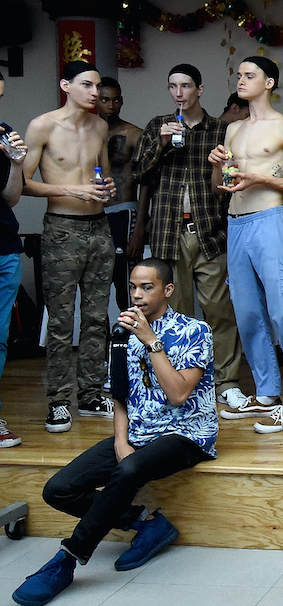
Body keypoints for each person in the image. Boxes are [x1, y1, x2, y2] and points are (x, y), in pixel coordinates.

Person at [11, 258, 216, 606]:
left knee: (130, 470)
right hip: (137, 431)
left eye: (147, 287)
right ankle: (146, 523)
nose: (136, 295)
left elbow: (179, 394)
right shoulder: (121, 333)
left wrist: (151, 341)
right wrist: (121, 440)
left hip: (186, 434)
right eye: (133, 287)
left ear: (167, 290)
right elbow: (120, 395)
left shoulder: (195, 330)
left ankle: (69, 558)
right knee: (57, 490)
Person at [206, 56, 283, 433]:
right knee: (247, 313)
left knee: (282, 311)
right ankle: (267, 392)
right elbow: (218, 185)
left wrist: (261, 179)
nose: (241, 80)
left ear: (269, 82)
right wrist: (217, 165)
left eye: (250, 75)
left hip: (270, 222)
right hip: (236, 224)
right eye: (238, 74)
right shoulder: (232, 129)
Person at [131, 64, 249, 415]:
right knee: (173, 313)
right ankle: (181, 382)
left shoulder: (220, 129)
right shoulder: (158, 125)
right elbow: (140, 173)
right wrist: (163, 145)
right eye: (172, 86)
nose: (178, 93)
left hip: (210, 232)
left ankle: (227, 384)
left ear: (199, 89)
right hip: (168, 233)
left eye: (185, 86)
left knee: (219, 311)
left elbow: (230, 179)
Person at [21, 61, 116, 432]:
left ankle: (91, 393)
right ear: (66, 85)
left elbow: (103, 174)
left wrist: (105, 188)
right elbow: (24, 183)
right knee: (60, 320)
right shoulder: (43, 125)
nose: (95, 92)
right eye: (87, 85)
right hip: (61, 227)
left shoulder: (100, 126)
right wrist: (70, 189)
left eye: (97, 86)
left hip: (99, 226)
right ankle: (58, 400)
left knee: (97, 317)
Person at [97, 77, 142, 312]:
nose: (111, 106)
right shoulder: (85, 134)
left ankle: (131, 341)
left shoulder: (134, 134)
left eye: (115, 100)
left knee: (126, 284)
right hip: (93, 215)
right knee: (95, 285)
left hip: (123, 212)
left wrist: (140, 228)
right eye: (105, 100)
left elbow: (147, 183)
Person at [0, 72, 28, 448]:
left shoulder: (3, 131)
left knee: (0, 338)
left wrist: (17, 163)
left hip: (5, 246)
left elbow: (10, 198)